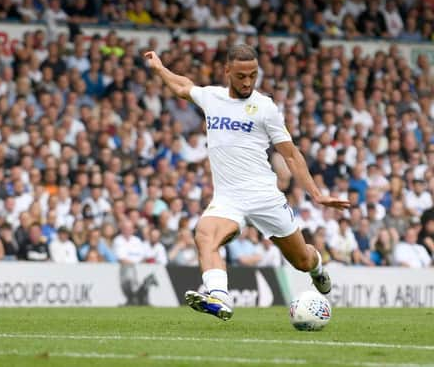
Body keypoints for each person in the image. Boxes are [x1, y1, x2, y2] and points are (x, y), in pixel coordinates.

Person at [144, 44, 349, 321]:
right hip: (228, 198)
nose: (248, 82)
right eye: (241, 76)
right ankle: (219, 296)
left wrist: (316, 194)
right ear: (227, 71)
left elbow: (290, 154)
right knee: (205, 234)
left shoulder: (265, 107)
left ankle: (318, 269)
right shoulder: (212, 97)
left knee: (302, 260)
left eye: (253, 75)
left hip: (264, 196)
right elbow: (183, 87)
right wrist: (159, 68)